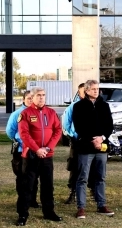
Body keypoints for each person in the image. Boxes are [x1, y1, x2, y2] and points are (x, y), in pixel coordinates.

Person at [16, 87, 63, 226]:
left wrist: (48, 148)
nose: (41, 97)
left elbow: (58, 130)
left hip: (47, 156)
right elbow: (24, 134)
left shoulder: (51, 112)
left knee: (48, 186)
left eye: (43, 95)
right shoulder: (25, 113)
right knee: (27, 186)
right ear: (32, 97)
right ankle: (22, 215)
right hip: (31, 156)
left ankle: (49, 212)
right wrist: (37, 149)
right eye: (38, 95)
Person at [72, 80, 114, 219]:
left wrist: (101, 138)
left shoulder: (104, 106)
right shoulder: (78, 106)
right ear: (87, 90)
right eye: (93, 89)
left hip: (101, 148)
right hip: (85, 147)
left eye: (98, 89)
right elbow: (79, 127)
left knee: (100, 177)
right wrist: (92, 139)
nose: (96, 91)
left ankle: (101, 205)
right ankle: (81, 208)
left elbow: (109, 125)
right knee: (82, 178)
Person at [63, 83, 96, 204]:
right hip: (78, 141)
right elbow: (66, 124)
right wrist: (73, 136)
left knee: (93, 166)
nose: (86, 93)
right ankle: (73, 191)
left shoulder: (95, 105)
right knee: (75, 166)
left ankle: (93, 190)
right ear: (80, 92)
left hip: (92, 140)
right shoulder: (73, 106)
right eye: (84, 91)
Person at [6, 91, 40, 209]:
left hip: (36, 150)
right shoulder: (17, 114)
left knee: (34, 176)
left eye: (32, 98)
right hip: (22, 150)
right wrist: (20, 141)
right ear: (24, 100)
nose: (31, 100)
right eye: (28, 98)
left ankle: (33, 200)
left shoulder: (38, 112)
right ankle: (22, 200)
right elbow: (10, 131)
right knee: (22, 176)